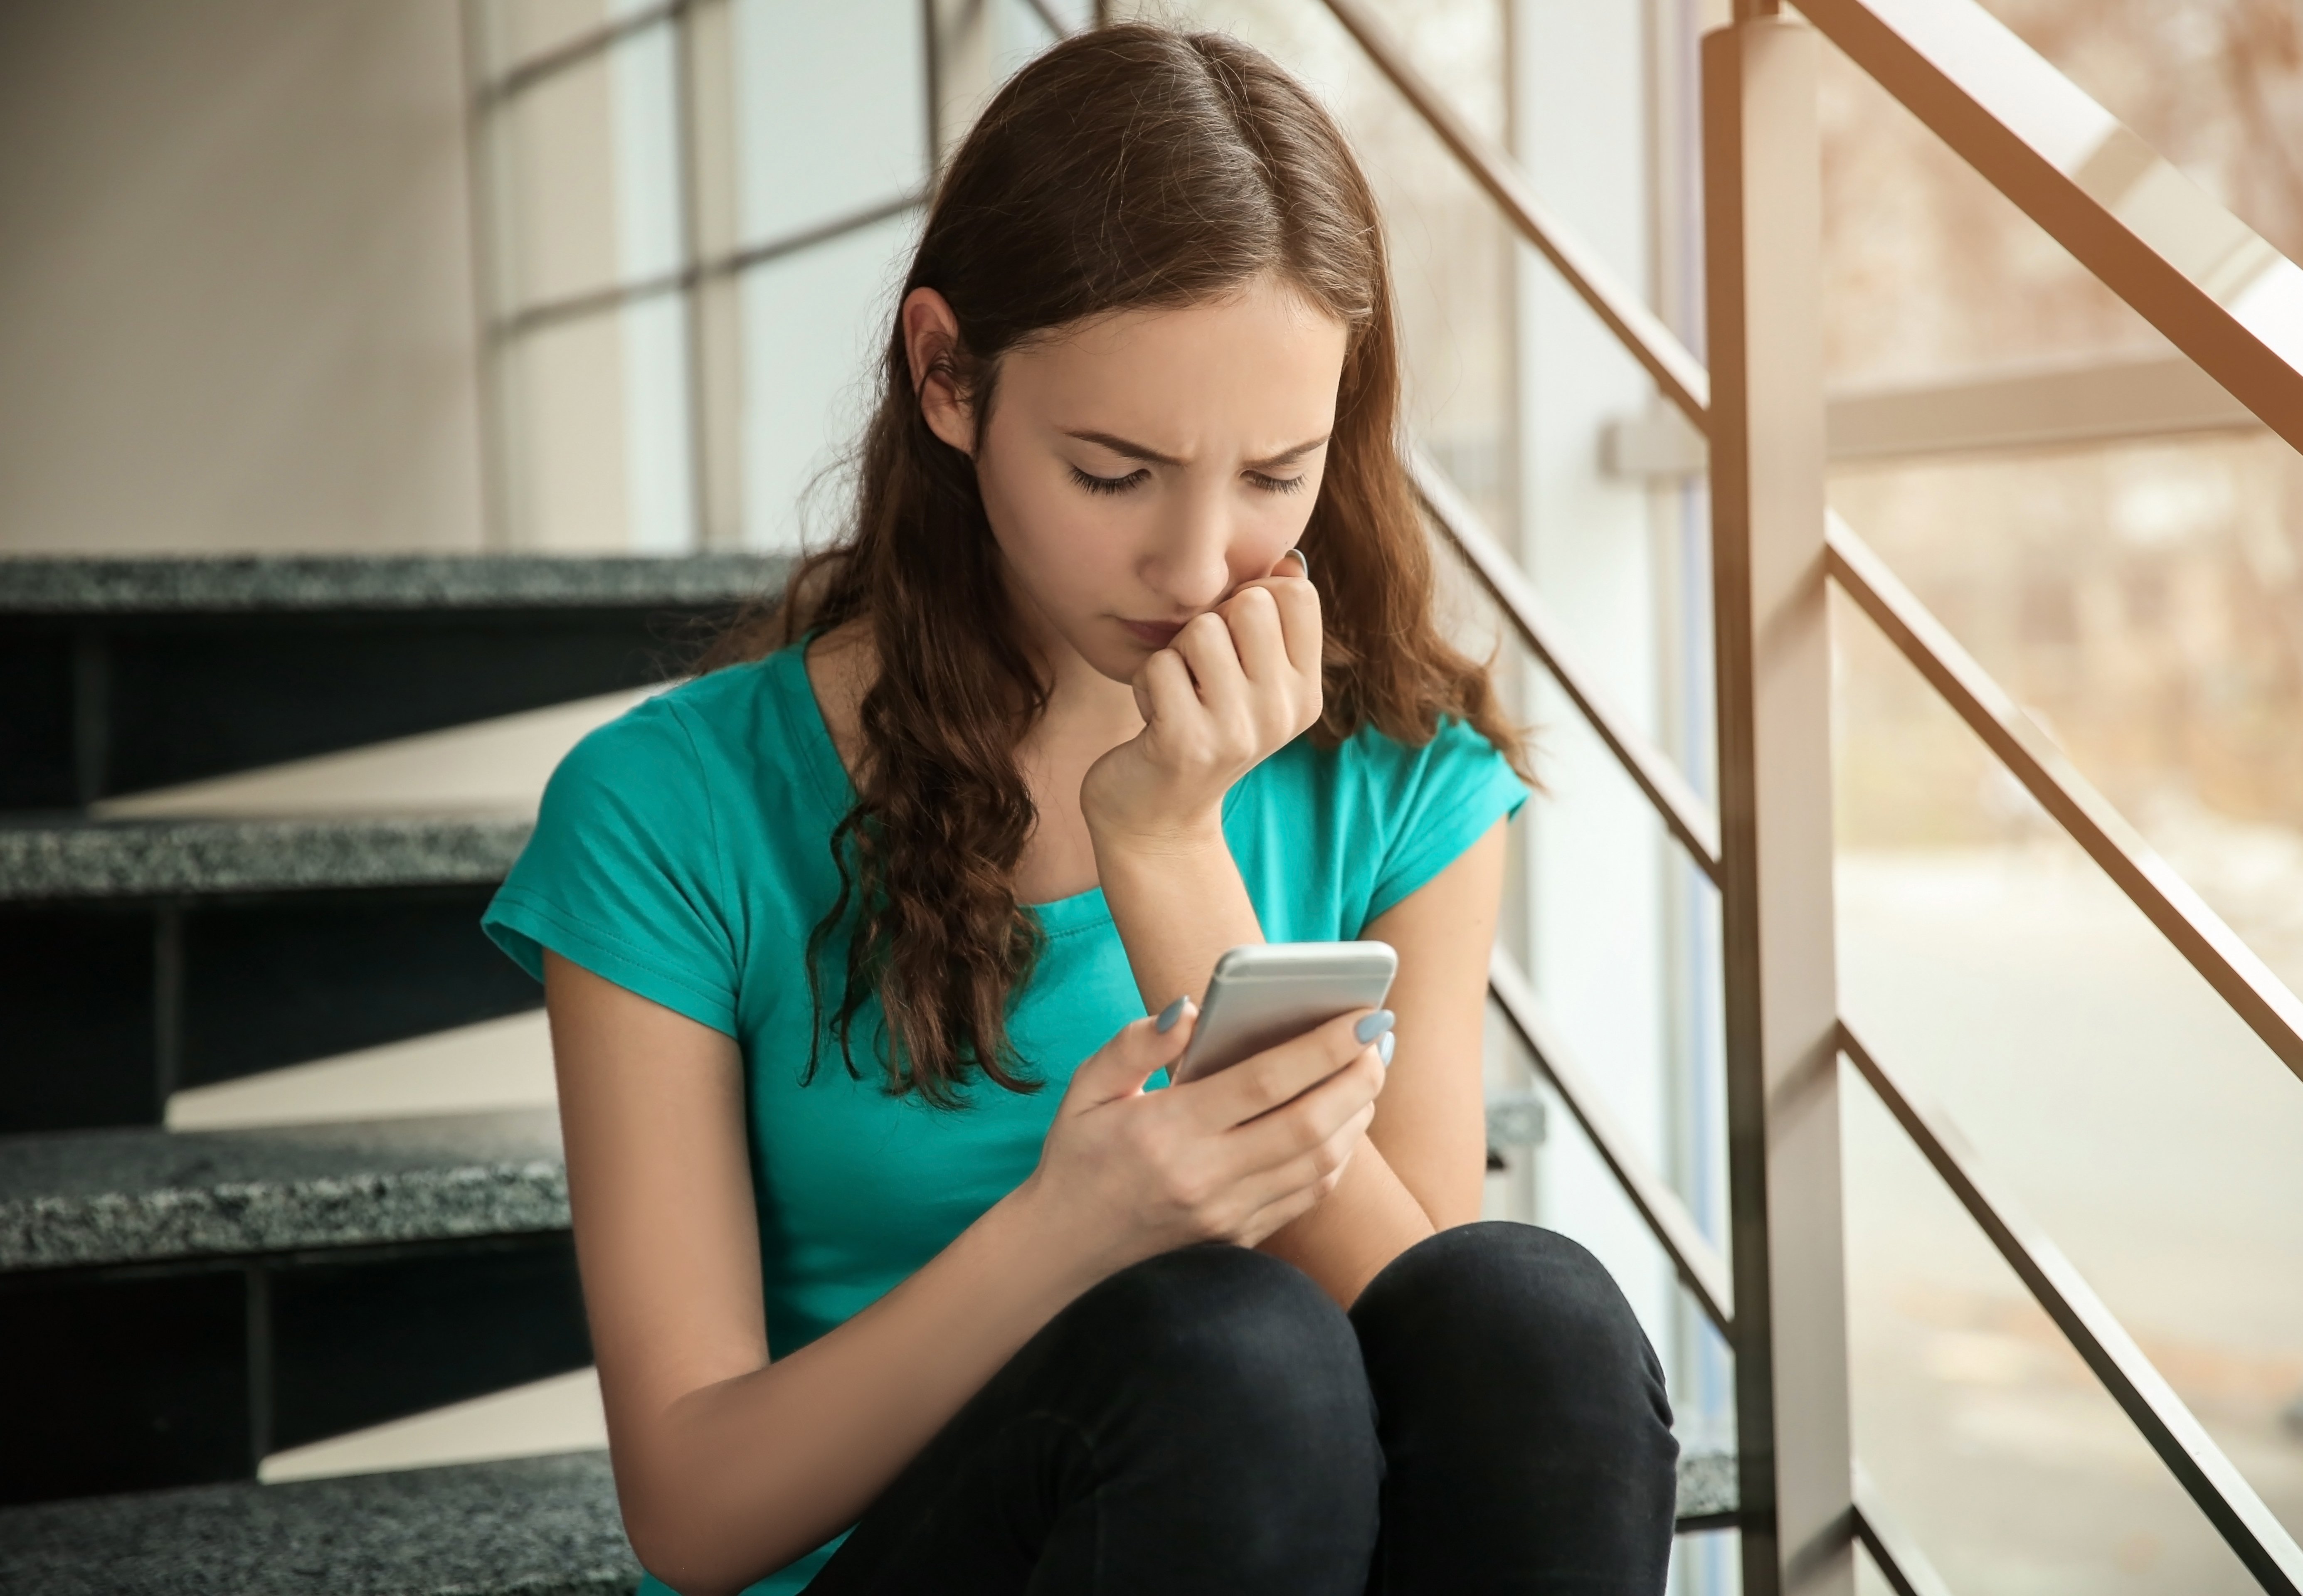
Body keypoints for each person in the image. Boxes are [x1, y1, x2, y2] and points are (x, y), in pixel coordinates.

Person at [483, 22, 1677, 1596]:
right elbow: (696, 1512)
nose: (1198, 569)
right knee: (1226, 1353)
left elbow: (1456, 1377)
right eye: (1115, 473)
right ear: (947, 377)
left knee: (1534, 1310)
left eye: (1275, 474)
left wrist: (1171, 851)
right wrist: (1074, 1225)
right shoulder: (668, 808)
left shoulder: (1405, 775)